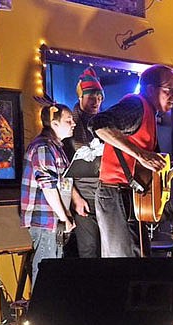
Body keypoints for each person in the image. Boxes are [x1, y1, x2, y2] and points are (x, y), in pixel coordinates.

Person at [90, 64, 173, 257]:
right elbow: (98, 124)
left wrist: (169, 169)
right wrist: (141, 154)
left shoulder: (150, 114)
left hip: (130, 195)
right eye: (169, 90)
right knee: (125, 264)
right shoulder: (136, 105)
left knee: (136, 259)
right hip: (116, 193)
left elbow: (146, 167)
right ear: (150, 89)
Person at [20, 102, 76, 284]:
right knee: (46, 266)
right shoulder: (43, 147)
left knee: (54, 267)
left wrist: (76, 201)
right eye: (69, 120)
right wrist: (64, 217)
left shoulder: (56, 147)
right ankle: (40, 310)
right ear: (54, 123)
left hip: (53, 219)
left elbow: (64, 181)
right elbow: (48, 187)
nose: (73, 123)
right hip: (45, 219)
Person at [63, 68, 105, 258]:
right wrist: (75, 198)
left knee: (108, 248)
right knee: (89, 248)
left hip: (104, 192)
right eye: (91, 97)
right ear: (81, 98)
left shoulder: (104, 123)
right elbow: (61, 169)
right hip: (82, 193)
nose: (96, 101)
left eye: (99, 97)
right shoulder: (69, 125)